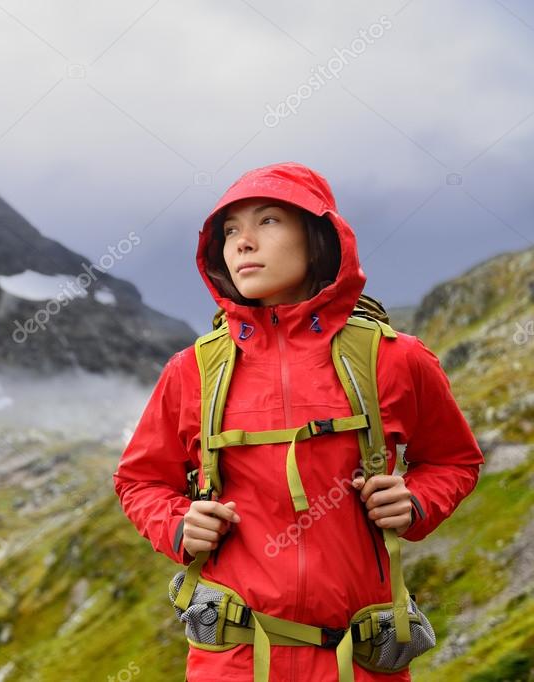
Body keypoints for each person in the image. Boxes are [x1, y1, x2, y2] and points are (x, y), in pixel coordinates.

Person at [113, 161, 484, 681]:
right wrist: (177, 524)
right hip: (234, 661)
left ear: (318, 238)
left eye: (267, 221)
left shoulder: (395, 359)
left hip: (360, 663)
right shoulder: (191, 371)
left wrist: (417, 500)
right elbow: (140, 480)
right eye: (230, 230)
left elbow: (454, 460)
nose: (243, 242)